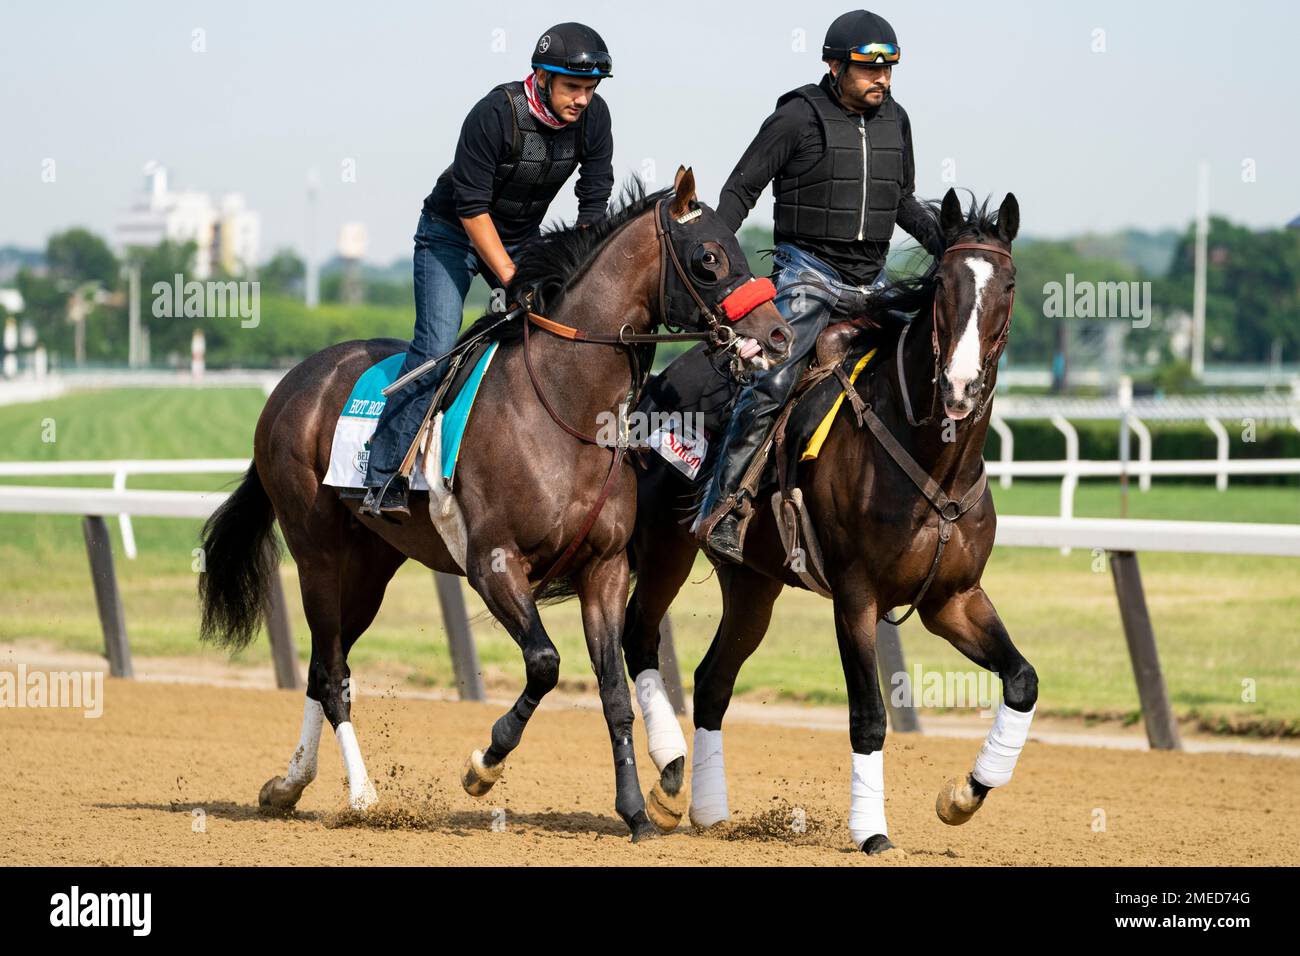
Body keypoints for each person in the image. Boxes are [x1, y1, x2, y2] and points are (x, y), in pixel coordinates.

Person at [694, 8, 944, 561]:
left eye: (889, 69)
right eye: (868, 69)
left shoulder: (896, 120)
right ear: (834, 66)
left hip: (873, 285)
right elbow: (740, 192)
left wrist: (949, 245)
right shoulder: (796, 117)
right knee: (772, 382)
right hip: (808, 274)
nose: (882, 80)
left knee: (924, 370)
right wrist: (714, 272)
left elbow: (900, 201)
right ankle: (725, 508)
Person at [360, 22, 615, 520]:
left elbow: (594, 199)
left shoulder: (595, 118)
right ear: (541, 77)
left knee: (559, 331)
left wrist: (579, 270)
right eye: (572, 88)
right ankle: (383, 476)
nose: (583, 100)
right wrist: (516, 281)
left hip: (522, 236)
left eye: (590, 90)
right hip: (450, 233)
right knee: (435, 347)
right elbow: (472, 209)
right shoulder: (494, 113)